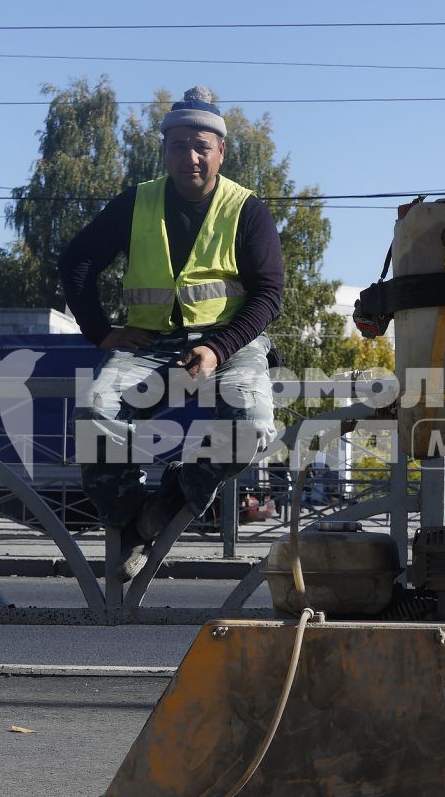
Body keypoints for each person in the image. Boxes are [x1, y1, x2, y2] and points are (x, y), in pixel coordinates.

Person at [59, 87, 283, 579]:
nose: (191, 156)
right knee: (95, 414)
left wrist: (217, 347)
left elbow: (269, 294)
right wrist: (100, 332)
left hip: (231, 343)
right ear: (164, 151)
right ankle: (131, 523)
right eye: (179, 145)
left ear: (221, 151)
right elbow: (76, 262)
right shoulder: (134, 203)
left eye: (202, 145)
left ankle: (172, 498)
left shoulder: (248, 210)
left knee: (252, 425)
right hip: (149, 346)